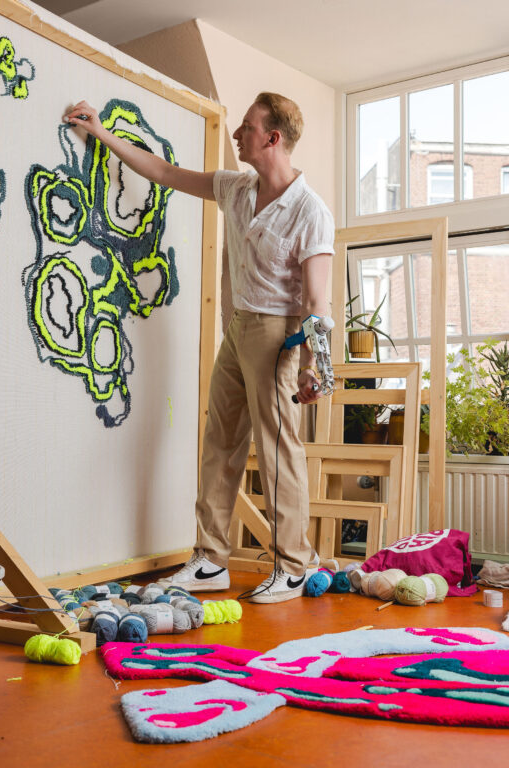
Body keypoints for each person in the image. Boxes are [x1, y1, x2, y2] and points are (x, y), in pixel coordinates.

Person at [64, 92, 335, 603]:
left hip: (278, 336)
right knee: (219, 442)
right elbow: (164, 172)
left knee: (278, 451)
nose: (237, 134)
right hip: (238, 330)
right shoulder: (236, 188)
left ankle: (294, 565)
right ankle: (211, 560)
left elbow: (318, 299)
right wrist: (101, 133)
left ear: (272, 138)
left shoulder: (309, 211)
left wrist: (312, 364)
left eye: (247, 126)